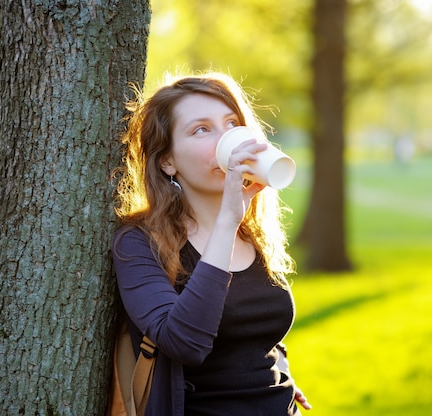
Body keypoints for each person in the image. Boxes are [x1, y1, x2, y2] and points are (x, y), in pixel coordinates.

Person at [111, 72, 311, 416]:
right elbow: (184, 343)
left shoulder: (252, 233)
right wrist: (227, 221)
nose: (227, 138)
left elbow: (259, 326)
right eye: (201, 129)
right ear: (167, 161)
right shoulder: (138, 243)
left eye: (232, 123)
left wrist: (280, 376)